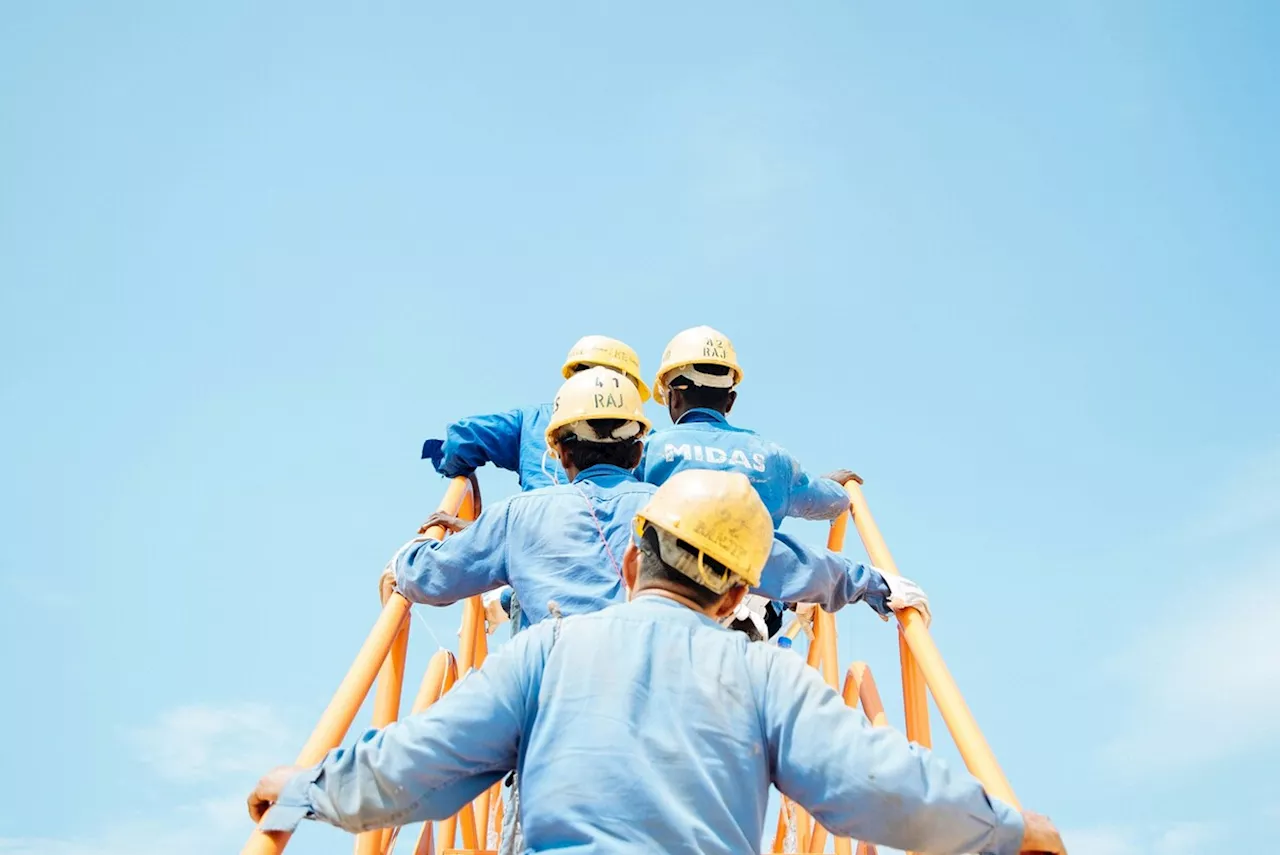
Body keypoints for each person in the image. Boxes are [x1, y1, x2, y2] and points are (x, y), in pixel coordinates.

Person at [249, 470, 1065, 855]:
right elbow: (875, 780)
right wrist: (1004, 826)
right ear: (735, 594)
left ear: (634, 561)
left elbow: (418, 763)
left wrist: (301, 792)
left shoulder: (544, 652)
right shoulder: (768, 675)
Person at [383, 367, 930, 632]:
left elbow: (427, 578)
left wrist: (417, 549)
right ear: (639, 441)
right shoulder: (681, 509)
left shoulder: (516, 517)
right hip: (664, 715)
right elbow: (783, 559)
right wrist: (873, 584)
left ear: (559, 449)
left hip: (552, 724)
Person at [641, 325, 862, 639]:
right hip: (752, 608)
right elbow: (830, 503)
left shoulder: (648, 451)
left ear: (672, 397)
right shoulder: (771, 457)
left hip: (666, 611)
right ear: (730, 400)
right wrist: (836, 487)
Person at [420, 334, 650, 492]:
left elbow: (461, 440)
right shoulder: (646, 439)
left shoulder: (531, 422)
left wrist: (461, 474)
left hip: (534, 543)